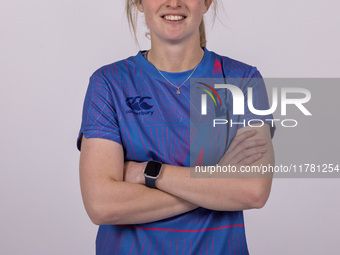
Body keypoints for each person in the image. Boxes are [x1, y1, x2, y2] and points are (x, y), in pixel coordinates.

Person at [77, 0, 275, 254]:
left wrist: (150, 173)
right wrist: (214, 179)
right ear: (139, 3)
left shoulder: (243, 80)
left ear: (205, 3)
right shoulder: (108, 83)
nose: (174, 3)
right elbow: (101, 205)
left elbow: (253, 191)